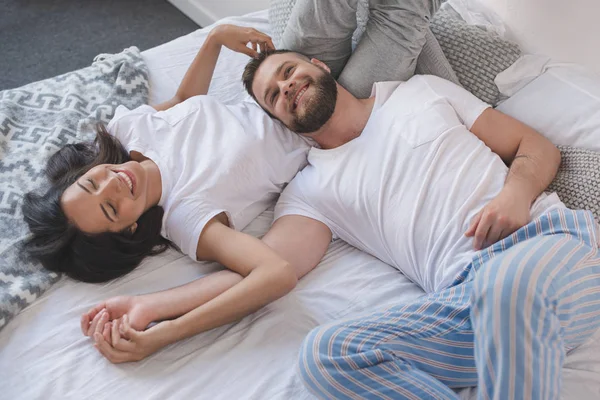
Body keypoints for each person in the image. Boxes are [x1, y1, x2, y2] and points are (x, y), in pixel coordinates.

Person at [238, 44, 600, 399]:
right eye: (273, 97)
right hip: (463, 305)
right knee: (326, 355)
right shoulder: (311, 189)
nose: (285, 87)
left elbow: (536, 146)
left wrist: (517, 194)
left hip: (548, 248)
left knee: (504, 284)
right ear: (281, 122)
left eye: (287, 72)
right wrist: (193, 226)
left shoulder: (420, 91)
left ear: (320, 65)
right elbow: (264, 268)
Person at [21, 25, 322, 362]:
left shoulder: (128, 131)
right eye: (110, 208)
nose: (112, 184)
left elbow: (183, 103)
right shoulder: (187, 217)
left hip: (279, 87)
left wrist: (216, 39)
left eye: (90, 183)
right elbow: (276, 272)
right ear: (129, 229)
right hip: (318, 123)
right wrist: (166, 335)